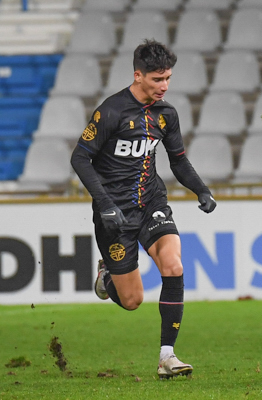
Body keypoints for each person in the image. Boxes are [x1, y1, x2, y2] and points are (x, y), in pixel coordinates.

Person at [70, 39, 216, 380]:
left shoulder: (166, 115)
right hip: (115, 213)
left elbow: (178, 161)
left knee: (174, 265)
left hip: (151, 202)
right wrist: (104, 203)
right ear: (138, 76)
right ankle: (108, 275)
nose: (164, 86)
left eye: (167, 78)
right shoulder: (111, 111)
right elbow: (80, 158)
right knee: (132, 300)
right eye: (157, 79)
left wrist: (201, 189)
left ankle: (167, 356)